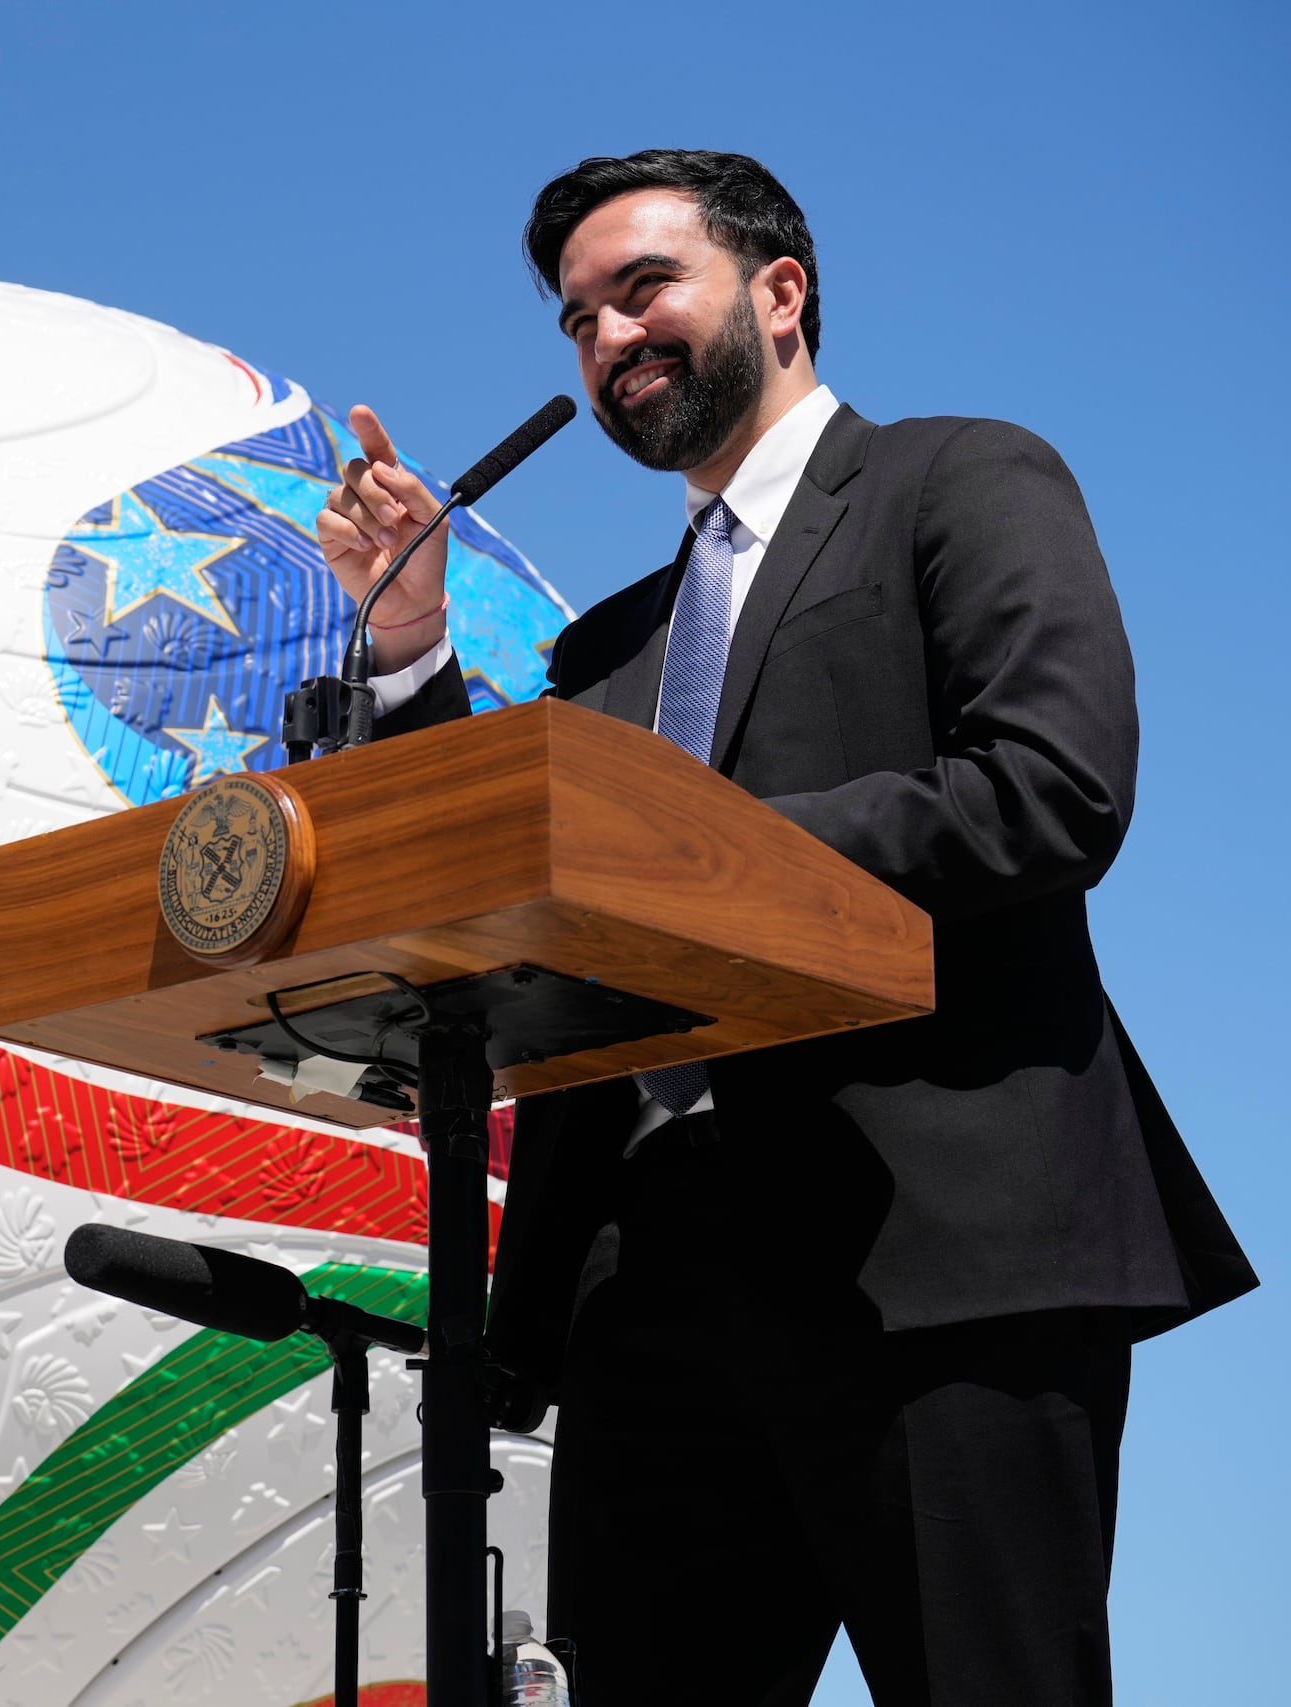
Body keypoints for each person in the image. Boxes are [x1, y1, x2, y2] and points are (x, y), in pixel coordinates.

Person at [314, 150, 1254, 1705]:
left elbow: (1051, 789)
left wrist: (686, 862)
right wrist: (410, 650)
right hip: (651, 1288)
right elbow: (494, 902)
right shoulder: (605, 646)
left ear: (779, 293)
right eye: (575, 322)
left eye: (641, 289)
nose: (608, 339)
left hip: (935, 1249)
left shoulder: (961, 481)